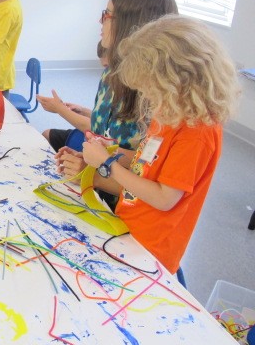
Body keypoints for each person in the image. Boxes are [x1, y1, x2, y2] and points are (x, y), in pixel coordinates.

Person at [81, 15, 239, 274]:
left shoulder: (197, 132)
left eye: (150, 88)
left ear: (176, 81)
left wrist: (107, 165)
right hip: (129, 224)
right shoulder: (170, 109)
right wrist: (114, 152)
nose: (147, 96)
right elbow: (150, 165)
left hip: (151, 248)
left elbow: (164, 198)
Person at [52, 0, 179, 209]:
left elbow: (141, 182)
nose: (100, 21)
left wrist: (90, 173)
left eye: (107, 14)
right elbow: (109, 138)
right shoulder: (112, 74)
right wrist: (85, 161)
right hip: (94, 195)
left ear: (131, 25)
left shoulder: (150, 96)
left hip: (120, 213)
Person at [40, 41, 108, 152]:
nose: (106, 71)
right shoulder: (107, 82)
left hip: (98, 144)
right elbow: (102, 120)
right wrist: (83, 111)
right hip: (90, 136)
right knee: (46, 134)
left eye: (107, 66)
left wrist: (60, 109)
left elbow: (95, 128)